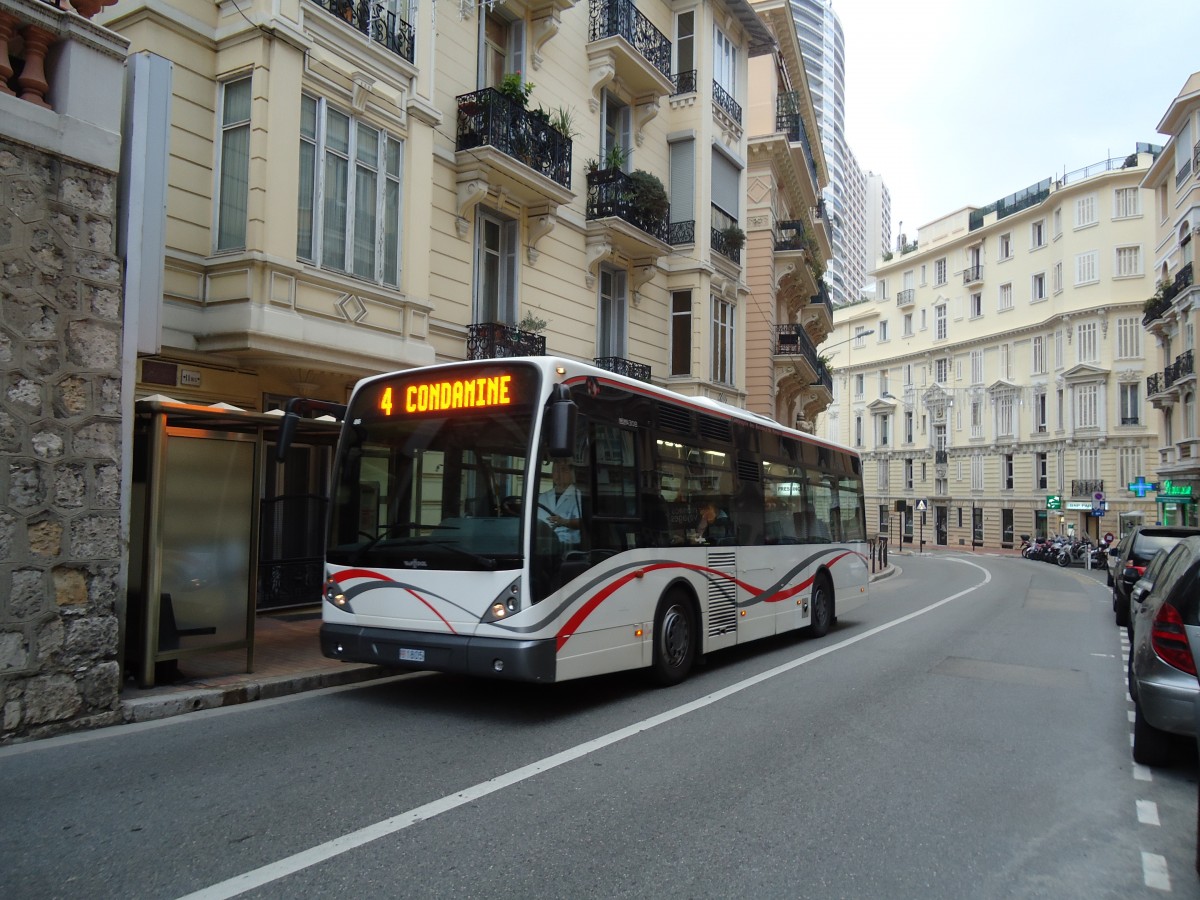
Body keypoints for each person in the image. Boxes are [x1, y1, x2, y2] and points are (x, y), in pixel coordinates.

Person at [538, 459, 582, 546]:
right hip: (543, 542)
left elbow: (583, 522)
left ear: (572, 474)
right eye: (555, 471)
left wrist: (564, 522)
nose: (558, 475)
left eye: (563, 470)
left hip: (568, 544)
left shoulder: (579, 496)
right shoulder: (542, 497)